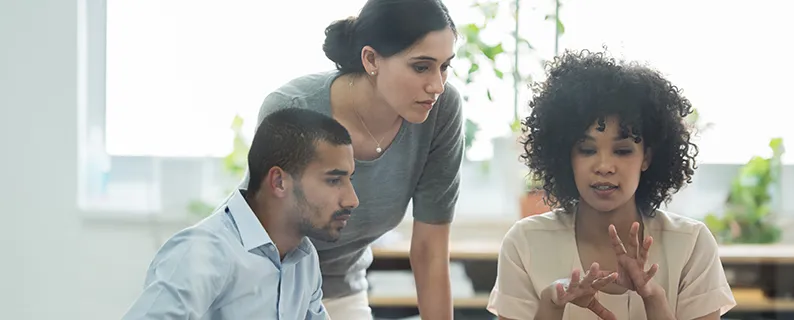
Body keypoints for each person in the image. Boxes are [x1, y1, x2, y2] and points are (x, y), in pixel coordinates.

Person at [242, 0, 464, 319]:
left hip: (341, 290)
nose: (437, 86)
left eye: (445, 66)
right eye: (421, 66)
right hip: (262, 282)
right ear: (371, 59)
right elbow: (264, 238)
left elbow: (430, 249)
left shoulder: (441, 112)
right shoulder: (292, 108)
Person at [486, 49, 736, 320]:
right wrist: (551, 305)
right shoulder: (525, 243)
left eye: (622, 151)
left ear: (647, 158)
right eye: (587, 150)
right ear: (565, 156)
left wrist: (654, 299)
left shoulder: (691, 245)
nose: (604, 166)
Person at [122, 108, 359, 319]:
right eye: (334, 180)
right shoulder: (203, 253)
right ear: (279, 182)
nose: (352, 199)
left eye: (349, 180)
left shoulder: (303, 259)